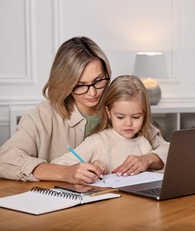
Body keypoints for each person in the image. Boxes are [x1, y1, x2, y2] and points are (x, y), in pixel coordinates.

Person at [0, 36, 168, 184]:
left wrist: (148, 159)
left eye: (98, 80)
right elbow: (5, 159)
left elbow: (167, 149)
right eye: (80, 85)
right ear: (65, 83)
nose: (93, 92)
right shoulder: (42, 116)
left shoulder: (118, 108)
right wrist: (64, 173)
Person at [51, 75, 169, 176]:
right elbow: (58, 165)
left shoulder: (143, 143)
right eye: (120, 117)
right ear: (108, 112)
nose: (128, 123)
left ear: (145, 114)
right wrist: (88, 167)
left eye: (136, 117)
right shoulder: (97, 142)